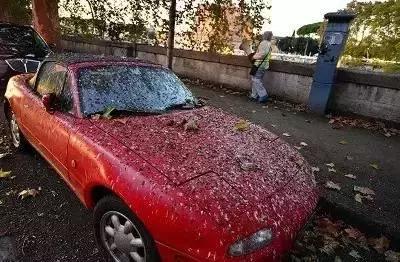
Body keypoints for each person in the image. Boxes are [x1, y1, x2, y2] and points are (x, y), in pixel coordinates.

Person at [249, 31, 273, 103]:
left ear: (265, 36)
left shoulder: (264, 43)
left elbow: (262, 54)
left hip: (259, 64)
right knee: (255, 79)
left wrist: (253, 57)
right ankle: (254, 95)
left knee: (256, 80)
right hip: (264, 65)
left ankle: (263, 95)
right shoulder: (269, 44)